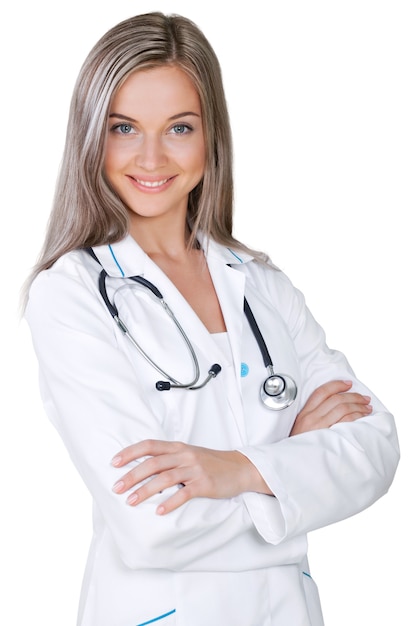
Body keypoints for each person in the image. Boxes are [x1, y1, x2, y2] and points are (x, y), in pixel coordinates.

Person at [24, 12, 399, 626]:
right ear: (92, 136)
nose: (150, 156)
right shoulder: (71, 296)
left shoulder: (263, 285)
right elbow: (150, 527)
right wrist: (297, 473)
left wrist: (238, 469)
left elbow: (375, 448)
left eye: (178, 127)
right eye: (124, 127)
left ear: (211, 137)